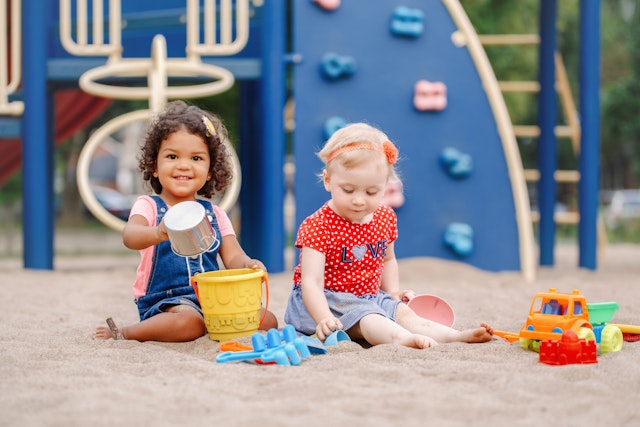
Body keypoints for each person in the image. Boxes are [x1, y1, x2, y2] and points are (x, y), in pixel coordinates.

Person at [284, 122, 493, 349]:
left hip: (369, 296)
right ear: (328, 181)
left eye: (371, 192)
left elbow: (387, 259)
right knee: (370, 318)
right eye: (348, 190)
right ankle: (402, 340)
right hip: (326, 302)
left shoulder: (384, 218)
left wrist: (393, 292)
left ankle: (454, 336)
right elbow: (311, 282)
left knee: (405, 314)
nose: (359, 199)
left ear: (385, 186)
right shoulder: (318, 225)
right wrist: (323, 317)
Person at [94, 101, 277, 342]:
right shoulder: (149, 206)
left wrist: (249, 264)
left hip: (213, 298)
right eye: (172, 156)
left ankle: (211, 324)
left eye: (196, 158)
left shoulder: (215, 214)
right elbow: (130, 236)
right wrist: (158, 233)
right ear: (155, 166)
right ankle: (127, 333)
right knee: (189, 322)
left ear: (210, 169)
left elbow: (233, 257)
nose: (184, 165)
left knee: (268, 319)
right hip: (166, 302)